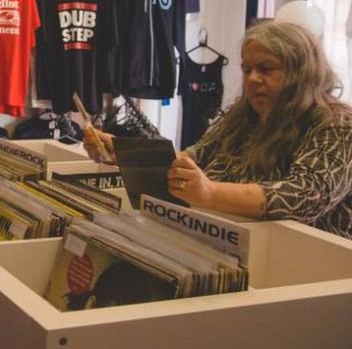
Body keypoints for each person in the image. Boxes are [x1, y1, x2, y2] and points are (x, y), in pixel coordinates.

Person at [84, 21, 352, 239]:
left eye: (266, 68)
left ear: (301, 72)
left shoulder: (336, 124)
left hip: (307, 262)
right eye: (246, 69)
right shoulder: (243, 115)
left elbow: (305, 195)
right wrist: (125, 154)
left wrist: (210, 193)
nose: (253, 79)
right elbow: (193, 157)